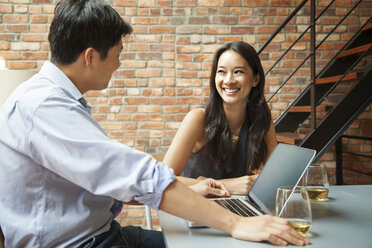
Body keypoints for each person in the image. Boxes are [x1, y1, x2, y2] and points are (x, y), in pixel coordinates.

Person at [0, 0, 310, 247]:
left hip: (104, 231)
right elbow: (135, 175)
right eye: (117, 55)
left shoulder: (55, 101)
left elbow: (121, 179)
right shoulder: (44, 107)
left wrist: (196, 190)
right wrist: (237, 222)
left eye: (239, 72)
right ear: (90, 57)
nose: (119, 63)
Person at [164, 41, 277, 195]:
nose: (228, 80)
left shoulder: (261, 115)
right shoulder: (197, 119)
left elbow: (276, 175)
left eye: (238, 72)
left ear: (255, 79)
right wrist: (227, 185)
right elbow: (163, 178)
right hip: (191, 206)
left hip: (232, 205)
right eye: (222, 72)